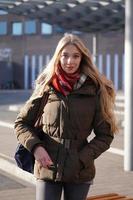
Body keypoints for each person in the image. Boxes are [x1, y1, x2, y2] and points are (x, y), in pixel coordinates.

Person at [14, 33, 118, 200]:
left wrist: (82, 158)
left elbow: (105, 135)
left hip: (80, 171)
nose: (70, 61)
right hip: (47, 168)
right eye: (65, 55)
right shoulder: (46, 87)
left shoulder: (94, 90)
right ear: (58, 57)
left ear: (82, 58)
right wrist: (36, 148)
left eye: (76, 56)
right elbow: (21, 123)